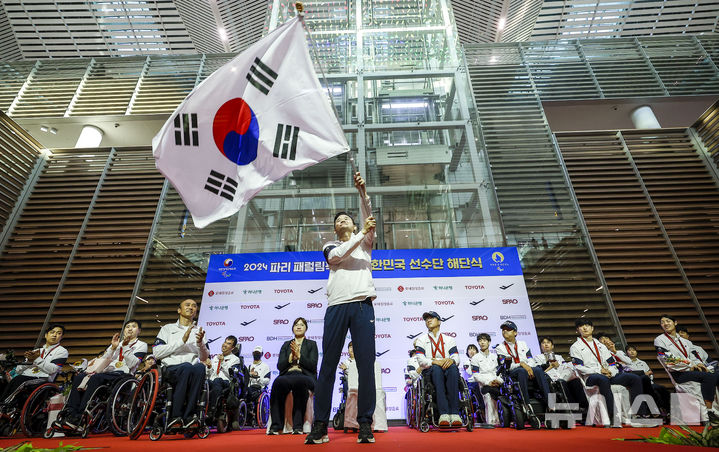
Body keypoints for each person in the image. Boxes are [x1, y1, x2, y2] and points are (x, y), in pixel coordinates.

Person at [306, 172, 377, 445]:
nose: (342, 220)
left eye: (346, 218)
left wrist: (362, 192)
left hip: (362, 306)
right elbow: (338, 256)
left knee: (366, 366)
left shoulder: (366, 244)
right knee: (328, 366)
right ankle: (320, 425)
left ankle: (365, 424)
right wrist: (360, 231)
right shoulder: (331, 246)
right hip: (336, 306)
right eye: (338, 221)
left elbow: (367, 215)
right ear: (335, 230)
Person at [62, 319, 147, 429]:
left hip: (123, 375)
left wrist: (125, 347)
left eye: (133, 326)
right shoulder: (118, 343)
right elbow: (102, 360)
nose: (130, 328)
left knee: (96, 378)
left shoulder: (142, 345)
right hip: (107, 372)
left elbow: (132, 364)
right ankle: (71, 413)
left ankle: (80, 416)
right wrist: (112, 347)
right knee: (79, 377)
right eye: (127, 326)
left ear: (139, 331)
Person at [570, 318, 643, 426]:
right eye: (581, 326)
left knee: (634, 378)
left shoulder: (601, 345)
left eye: (587, 325)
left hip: (608, 375)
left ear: (592, 328)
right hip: (591, 377)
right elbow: (579, 367)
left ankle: (638, 414)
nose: (585, 328)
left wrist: (611, 372)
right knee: (602, 379)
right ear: (578, 330)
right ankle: (612, 415)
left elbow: (612, 363)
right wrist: (599, 370)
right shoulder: (575, 347)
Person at [153, 298, 209, 430]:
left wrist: (200, 343)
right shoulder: (167, 328)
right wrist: (182, 341)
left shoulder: (199, 330)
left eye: (194, 306)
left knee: (200, 367)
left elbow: (204, 357)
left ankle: (190, 416)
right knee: (187, 367)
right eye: (187, 305)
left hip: (192, 369)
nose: (191, 307)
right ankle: (174, 417)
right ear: (179, 310)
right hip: (171, 369)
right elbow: (157, 352)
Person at [654, 314, 719, 422]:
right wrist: (690, 364)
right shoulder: (660, 340)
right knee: (709, 377)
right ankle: (709, 410)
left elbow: (693, 356)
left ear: (675, 323)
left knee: (716, 375)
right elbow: (669, 360)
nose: (665, 324)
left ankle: (712, 410)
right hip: (678, 374)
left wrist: (698, 364)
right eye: (662, 322)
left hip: (691, 371)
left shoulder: (685, 342)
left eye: (668, 321)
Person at [270, 317, 318, 435]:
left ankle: (298, 426)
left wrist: (300, 356)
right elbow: (280, 366)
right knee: (277, 383)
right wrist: (291, 357)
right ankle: (276, 426)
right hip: (288, 374)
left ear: (306, 328)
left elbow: (312, 365)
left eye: (302, 325)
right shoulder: (286, 345)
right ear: (292, 328)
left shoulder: (312, 344)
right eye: (296, 324)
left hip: (305, 375)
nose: (299, 327)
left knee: (299, 382)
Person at [415, 311, 462, 427]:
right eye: (426, 319)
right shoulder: (421, 340)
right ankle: (443, 414)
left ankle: (455, 413)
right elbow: (421, 360)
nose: (428, 320)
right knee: (436, 368)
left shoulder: (449, 339)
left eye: (431, 318)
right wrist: (434, 361)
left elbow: (456, 356)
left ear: (439, 321)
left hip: (447, 368)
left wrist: (451, 360)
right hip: (431, 371)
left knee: (453, 368)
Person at [1, 324, 68, 402]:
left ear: (61, 337)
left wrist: (36, 359)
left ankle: (4, 404)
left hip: (43, 379)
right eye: (52, 332)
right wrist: (29, 361)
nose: (55, 335)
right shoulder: (36, 351)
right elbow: (18, 370)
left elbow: (53, 369)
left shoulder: (62, 351)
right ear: (46, 335)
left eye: (59, 333)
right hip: (26, 376)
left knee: (19, 379)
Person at [495, 320, 550, 410]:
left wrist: (529, 368)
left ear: (515, 332)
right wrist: (521, 364)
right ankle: (526, 404)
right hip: (512, 372)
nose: (504, 331)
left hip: (527, 368)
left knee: (539, 370)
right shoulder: (500, 348)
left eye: (508, 329)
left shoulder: (523, 344)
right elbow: (507, 366)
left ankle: (550, 403)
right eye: (503, 329)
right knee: (521, 371)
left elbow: (530, 359)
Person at [625, 345, 670, 413]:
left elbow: (650, 374)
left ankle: (667, 409)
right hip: (636, 386)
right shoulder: (625, 363)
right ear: (626, 353)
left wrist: (646, 374)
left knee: (662, 388)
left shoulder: (643, 363)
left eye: (633, 350)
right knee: (650, 388)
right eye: (630, 350)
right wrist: (644, 374)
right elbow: (629, 375)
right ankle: (659, 408)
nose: (632, 352)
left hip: (648, 383)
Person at [469, 333, 503, 421]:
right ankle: (491, 422)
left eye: (484, 340)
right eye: (480, 341)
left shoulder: (495, 357)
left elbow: (500, 372)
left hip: (496, 383)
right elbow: (476, 375)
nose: (482, 343)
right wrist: (488, 382)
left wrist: (498, 381)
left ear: (489, 342)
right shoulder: (475, 358)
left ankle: (501, 420)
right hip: (484, 384)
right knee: (488, 397)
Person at [206, 336, 240, 413]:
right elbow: (210, 374)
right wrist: (209, 367)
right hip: (213, 381)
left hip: (226, 383)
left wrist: (222, 362)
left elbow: (232, 375)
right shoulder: (215, 357)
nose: (225, 345)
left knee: (218, 380)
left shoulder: (235, 359)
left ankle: (213, 410)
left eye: (228, 343)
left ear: (232, 348)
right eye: (225, 342)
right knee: (204, 382)